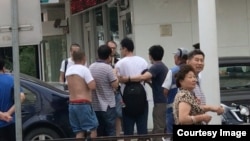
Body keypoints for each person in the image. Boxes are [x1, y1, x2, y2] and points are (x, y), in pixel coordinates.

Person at [127, 45, 168, 141]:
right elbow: (157, 84)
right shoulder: (162, 66)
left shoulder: (156, 66)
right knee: (159, 127)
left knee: (159, 129)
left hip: (160, 102)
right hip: (162, 101)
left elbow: (143, 77)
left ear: (150, 56)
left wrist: (127, 78)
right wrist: (149, 82)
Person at [115, 37, 149, 139]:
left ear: (125, 49)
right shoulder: (142, 61)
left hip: (126, 99)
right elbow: (146, 77)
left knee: (128, 129)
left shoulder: (120, 63)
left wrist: (124, 79)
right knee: (142, 129)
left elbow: (116, 80)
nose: (120, 51)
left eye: (121, 49)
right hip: (142, 98)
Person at [65, 51, 98, 138]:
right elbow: (92, 86)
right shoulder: (84, 69)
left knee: (78, 131)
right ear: (84, 58)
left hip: (72, 103)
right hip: (83, 103)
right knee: (92, 129)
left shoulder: (68, 70)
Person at [89, 45, 119, 137]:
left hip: (95, 105)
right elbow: (115, 85)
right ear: (109, 56)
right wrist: (115, 74)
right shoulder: (107, 68)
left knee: (99, 131)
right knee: (110, 131)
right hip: (108, 105)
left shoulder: (91, 67)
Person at [162, 47, 188, 134]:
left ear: (178, 57)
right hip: (188, 109)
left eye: (175, 57)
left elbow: (165, 91)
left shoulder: (172, 71)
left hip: (172, 109)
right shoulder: (191, 71)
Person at [0, 57, 25, 141]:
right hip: (9, 123)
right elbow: (22, 97)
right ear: (3, 67)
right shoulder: (11, 79)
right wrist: (8, 113)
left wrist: (1, 115)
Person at [106, 40, 123, 137]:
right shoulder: (103, 62)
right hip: (106, 92)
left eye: (114, 48)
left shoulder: (119, 61)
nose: (112, 50)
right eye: (110, 48)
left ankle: (117, 135)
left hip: (116, 91)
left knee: (118, 114)